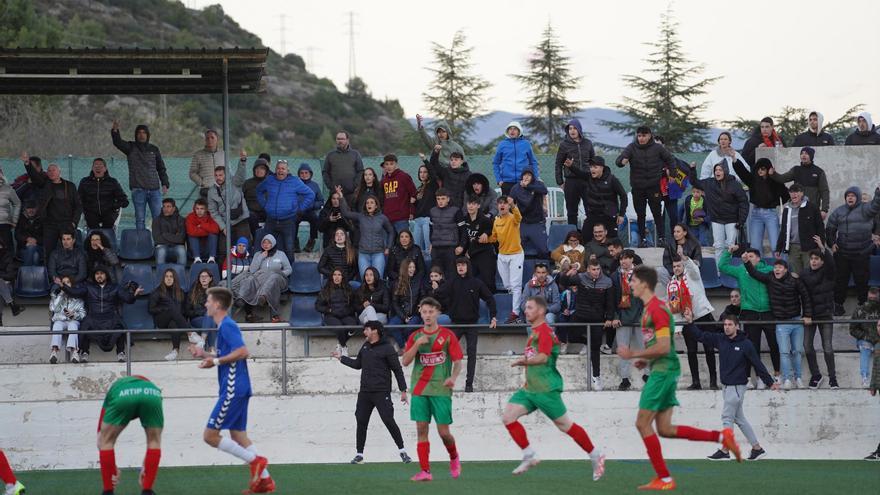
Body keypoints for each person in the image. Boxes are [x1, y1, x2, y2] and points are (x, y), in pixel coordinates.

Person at [617, 266, 742, 491]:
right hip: (662, 369)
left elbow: (664, 347)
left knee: (642, 423)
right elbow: (660, 346)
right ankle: (722, 437)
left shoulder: (657, 310)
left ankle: (664, 478)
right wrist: (645, 360)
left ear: (644, 284)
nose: (630, 284)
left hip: (664, 372)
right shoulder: (649, 310)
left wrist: (634, 354)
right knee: (665, 429)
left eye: (633, 280)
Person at [502, 296, 606, 479]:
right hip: (530, 389)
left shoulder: (544, 332)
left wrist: (523, 361)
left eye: (530, 308)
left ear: (541, 311)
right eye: (525, 308)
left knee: (566, 426)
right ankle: (529, 454)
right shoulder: (534, 332)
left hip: (546, 389)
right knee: (509, 416)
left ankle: (595, 454)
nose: (526, 311)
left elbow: (543, 357)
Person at [189, 286, 274, 494]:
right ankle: (265, 482)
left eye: (208, 300)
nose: (206, 304)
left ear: (217, 304)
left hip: (232, 388)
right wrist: (203, 355)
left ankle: (256, 461)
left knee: (210, 436)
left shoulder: (227, 325)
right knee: (237, 435)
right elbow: (228, 354)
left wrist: (215, 361)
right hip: (239, 387)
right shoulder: (224, 327)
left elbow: (243, 352)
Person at [687, 315, 779, 461]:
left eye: (730, 324)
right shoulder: (720, 339)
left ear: (737, 326)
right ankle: (757, 448)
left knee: (727, 418)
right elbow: (700, 336)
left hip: (737, 387)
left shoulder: (746, 344)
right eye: (725, 324)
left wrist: (770, 382)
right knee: (739, 419)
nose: (727, 327)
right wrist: (690, 322)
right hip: (726, 387)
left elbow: (757, 364)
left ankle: (725, 450)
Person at [401, 297, 464, 482]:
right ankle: (425, 471)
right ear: (420, 313)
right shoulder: (415, 336)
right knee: (421, 428)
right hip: (420, 388)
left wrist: (452, 378)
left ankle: (453, 457)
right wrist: (417, 345)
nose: (427, 315)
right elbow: (405, 361)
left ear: (437, 313)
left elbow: (458, 361)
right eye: (424, 312)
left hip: (441, 389)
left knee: (444, 432)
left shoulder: (447, 335)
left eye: (431, 312)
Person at [333, 320, 412, 465]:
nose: (364, 332)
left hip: (381, 392)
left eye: (367, 329)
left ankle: (403, 451)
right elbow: (358, 365)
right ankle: (359, 454)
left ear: (375, 331)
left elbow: (397, 370)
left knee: (388, 420)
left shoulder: (387, 348)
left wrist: (403, 390)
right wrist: (341, 358)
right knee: (361, 421)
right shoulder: (365, 346)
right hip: (365, 392)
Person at [745, 259, 813, 389]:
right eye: (775, 267)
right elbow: (754, 273)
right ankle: (787, 379)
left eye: (780, 267)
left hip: (796, 320)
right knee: (784, 352)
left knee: (797, 351)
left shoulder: (795, 280)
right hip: (781, 322)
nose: (777, 269)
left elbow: (805, 296)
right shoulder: (770, 278)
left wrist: (807, 315)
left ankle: (798, 378)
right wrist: (746, 262)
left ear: (786, 270)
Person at [720, 246, 781, 387]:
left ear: (759, 258)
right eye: (746, 256)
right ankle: (759, 378)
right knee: (753, 347)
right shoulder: (742, 269)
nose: (748, 258)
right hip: (750, 312)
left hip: (768, 311)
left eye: (751, 256)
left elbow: (783, 273)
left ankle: (778, 376)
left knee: (774, 344)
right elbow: (722, 266)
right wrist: (729, 252)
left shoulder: (769, 270)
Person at [435, 257, 497, 392]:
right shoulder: (451, 282)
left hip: (472, 324)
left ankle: (469, 384)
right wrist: (436, 289)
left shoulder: (476, 283)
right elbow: (439, 294)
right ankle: (445, 382)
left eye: (463, 265)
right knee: (446, 352)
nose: (460, 267)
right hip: (456, 323)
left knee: (472, 353)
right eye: (458, 265)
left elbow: (490, 298)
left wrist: (493, 316)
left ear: (468, 266)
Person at [97, 375, 164, 495]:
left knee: (106, 441)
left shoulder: (115, 388)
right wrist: (146, 467)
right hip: (152, 393)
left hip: (123, 394)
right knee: (155, 441)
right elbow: (152, 446)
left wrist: (112, 470)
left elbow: (100, 439)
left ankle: (108, 491)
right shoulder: (150, 386)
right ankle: (147, 490)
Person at [557, 259, 616, 390]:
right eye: (593, 269)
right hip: (580, 316)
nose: (596, 272)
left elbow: (610, 302)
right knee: (571, 337)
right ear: (588, 269)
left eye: (598, 269)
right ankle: (586, 342)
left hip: (597, 318)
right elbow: (562, 284)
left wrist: (609, 317)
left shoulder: (607, 282)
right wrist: (568, 274)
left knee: (595, 349)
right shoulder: (580, 278)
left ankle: (597, 377)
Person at [64, 266, 141, 363]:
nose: (99, 276)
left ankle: (121, 352)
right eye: (97, 274)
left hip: (110, 317)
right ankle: (84, 352)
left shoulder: (115, 287)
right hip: (93, 317)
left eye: (101, 274)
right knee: (85, 325)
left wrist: (135, 294)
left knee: (120, 325)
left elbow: (128, 299)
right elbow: (75, 292)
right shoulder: (88, 287)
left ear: (106, 275)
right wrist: (63, 286)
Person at [615, 126, 675, 247]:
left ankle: (662, 239)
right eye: (639, 136)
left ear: (649, 135)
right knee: (640, 215)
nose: (641, 138)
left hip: (654, 187)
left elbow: (670, 159)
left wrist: (672, 174)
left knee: (657, 214)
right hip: (638, 187)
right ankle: (642, 240)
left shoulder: (657, 148)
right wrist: (622, 161)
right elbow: (619, 161)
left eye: (644, 135)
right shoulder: (632, 147)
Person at [826, 185, 880, 313]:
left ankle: (863, 308)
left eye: (853, 196)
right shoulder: (838, 211)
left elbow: (876, 205)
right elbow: (829, 229)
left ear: (858, 198)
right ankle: (838, 307)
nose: (850, 198)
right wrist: (831, 243)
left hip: (861, 253)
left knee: (862, 282)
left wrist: (878, 193)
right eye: (848, 196)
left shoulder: (866, 209)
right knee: (840, 282)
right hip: (842, 254)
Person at [668, 254, 718, 390]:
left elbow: (694, 269)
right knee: (691, 351)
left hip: (703, 315)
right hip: (687, 320)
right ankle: (696, 382)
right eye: (674, 267)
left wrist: (686, 258)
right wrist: (678, 328)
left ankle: (713, 382)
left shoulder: (692, 276)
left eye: (679, 266)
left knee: (709, 349)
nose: (676, 268)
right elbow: (674, 308)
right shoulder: (672, 284)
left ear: (683, 266)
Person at [688, 160, 749, 267]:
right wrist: (692, 169)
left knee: (730, 246)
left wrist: (741, 221)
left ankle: (727, 269)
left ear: (725, 171)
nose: (717, 172)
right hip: (716, 219)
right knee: (718, 246)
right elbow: (694, 182)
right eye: (716, 170)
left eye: (720, 170)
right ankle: (718, 271)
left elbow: (743, 202)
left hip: (732, 220)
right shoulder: (709, 183)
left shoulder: (734, 185)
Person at [111, 120, 169, 230]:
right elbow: (117, 142)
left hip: (155, 190)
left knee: (158, 218)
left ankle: (159, 243)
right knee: (140, 219)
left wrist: (165, 183)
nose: (141, 135)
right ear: (136, 135)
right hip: (138, 190)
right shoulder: (131, 147)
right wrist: (115, 131)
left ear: (147, 135)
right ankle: (142, 243)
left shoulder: (154, 149)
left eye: (144, 133)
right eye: (139, 133)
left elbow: (161, 168)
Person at [256, 159, 316, 264]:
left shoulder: (295, 181)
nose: (280, 171)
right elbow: (259, 191)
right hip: (271, 220)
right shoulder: (269, 180)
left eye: (283, 168)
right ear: (275, 170)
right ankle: (267, 271)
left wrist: (300, 208)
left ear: (287, 170)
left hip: (288, 220)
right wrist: (265, 205)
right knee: (267, 247)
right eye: (278, 168)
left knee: (289, 249)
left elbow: (310, 194)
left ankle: (288, 275)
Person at [799, 237, 837, 389]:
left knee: (827, 347)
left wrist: (823, 248)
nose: (813, 261)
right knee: (807, 346)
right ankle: (816, 375)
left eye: (817, 259)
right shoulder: (804, 274)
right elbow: (803, 295)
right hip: (810, 316)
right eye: (812, 259)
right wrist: (806, 314)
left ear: (822, 261)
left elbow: (832, 264)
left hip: (826, 315)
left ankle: (833, 377)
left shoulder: (828, 273)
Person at [732, 157, 788, 254]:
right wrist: (734, 159)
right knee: (755, 247)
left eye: (763, 168)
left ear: (768, 169)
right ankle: (757, 268)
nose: (760, 171)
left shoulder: (775, 181)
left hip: (771, 214)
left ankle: (781, 267)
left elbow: (786, 195)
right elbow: (742, 172)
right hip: (755, 214)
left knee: (776, 245)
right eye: (758, 168)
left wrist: (774, 203)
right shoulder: (753, 180)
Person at [483, 196, 525, 324]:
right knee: (508, 285)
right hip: (502, 256)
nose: (502, 205)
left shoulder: (513, 218)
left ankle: (515, 313)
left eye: (505, 203)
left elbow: (519, 218)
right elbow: (494, 237)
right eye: (500, 203)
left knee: (516, 285)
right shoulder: (496, 220)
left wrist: (513, 205)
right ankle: (522, 305)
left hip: (516, 254)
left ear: (508, 206)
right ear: (497, 206)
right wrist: (485, 238)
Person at [232, 234, 292, 324]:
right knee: (249, 280)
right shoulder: (258, 254)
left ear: (273, 244)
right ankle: (242, 299)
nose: (266, 245)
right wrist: (261, 257)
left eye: (268, 243)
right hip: (261, 280)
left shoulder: (281, 254)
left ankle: (263, 298)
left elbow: (289, 269)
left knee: (273, 278)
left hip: (279, 279)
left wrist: (280, 273)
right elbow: (252, 270)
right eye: (264, 243)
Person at [610, 250, 646, 390]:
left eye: (626, 259)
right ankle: (625, 379)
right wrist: (614, 316)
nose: (623, 262)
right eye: (621, 259)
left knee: (644, 347)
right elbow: (611, 299)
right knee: (623, 349)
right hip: (622, 317)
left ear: (632, 260)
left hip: (639, 316)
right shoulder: (614, 277)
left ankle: (647, 374)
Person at [339, 189, 393, 278]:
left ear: (376, 206)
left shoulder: (382, 218)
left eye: (372, 203)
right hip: (363, 254)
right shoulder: (361, 216)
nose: (369, 205)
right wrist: (341, 197)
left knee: (378, 279)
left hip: (378, 253)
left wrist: (388, 247)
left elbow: (391, 231)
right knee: (365, 280)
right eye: (367, 203)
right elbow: (346, 213)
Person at [149, 268, 202, 361]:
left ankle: (175, 351)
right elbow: (151, 309)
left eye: (171, 276)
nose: (169, 279)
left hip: (176, 321)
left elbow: (184, 310)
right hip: (161, 320)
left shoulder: (180, 292)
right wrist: (165, 309)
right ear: (163, 278)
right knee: (171, 308)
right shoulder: (157, 291)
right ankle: (190, 333)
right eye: (166, 276)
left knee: (174, 324)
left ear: (175, 279)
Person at [775, 184, 825, 274]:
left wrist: (821, 244)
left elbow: (820, 227)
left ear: (802, 193)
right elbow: (783, 230)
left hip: (809, 247)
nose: (793, 194)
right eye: (791, 192)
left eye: (796, 192)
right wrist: (778, 248)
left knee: (810, 274)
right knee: (796, 275)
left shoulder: (812, 207)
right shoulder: (786, 209)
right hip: (793, 248)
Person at [555, 119, 596, 226]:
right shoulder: (564, 144)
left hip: (587, 180)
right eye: (570, 128)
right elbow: (558, 163)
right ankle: (573, 236)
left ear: (579, 130)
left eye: (574, 128)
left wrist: (595, 179)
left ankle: (591, 236)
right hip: (571, 181)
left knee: (591, 210)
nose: (572, 131)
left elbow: (594, 161)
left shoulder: (588, 143)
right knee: (572, 212)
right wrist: (560, 181)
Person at [768, 147, 831, 217]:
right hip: (797, 207)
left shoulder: (819, 172)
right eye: (802, 153)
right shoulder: (796, 170)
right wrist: (773, 174)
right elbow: (782, 179)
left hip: (812, 208)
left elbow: (824, 191)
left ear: (811, 156)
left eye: (806, 154)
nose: (803, 155)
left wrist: (824, 210)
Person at [36, 163, 82, 259]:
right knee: (49, 252)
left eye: (54, 170)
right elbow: (33, 175)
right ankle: (50, 273)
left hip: (66, 224)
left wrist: (74, 222)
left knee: (68, 250)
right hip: (50, 225)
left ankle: (70, 272)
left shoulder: (70, 186)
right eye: (49, 171)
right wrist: (27, 164)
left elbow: (78, 206)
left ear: (59, 172)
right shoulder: (44, 185)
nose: (51, 172)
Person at [208, 152, 252, 248]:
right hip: (225, 223)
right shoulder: (211, 191)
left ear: (226, 175)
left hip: (241, 220)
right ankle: (224, 263)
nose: (218, 177)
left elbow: (241, 176)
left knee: (244, 247)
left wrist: (242, 161)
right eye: (216, 175)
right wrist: (223, 227)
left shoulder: (234, 182)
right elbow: (213, 211)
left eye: (220, 175)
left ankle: (245, 263)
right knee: (224, 250)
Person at [581, 156, 627, 239]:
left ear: (602, 168)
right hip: (593, 214)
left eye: (595, 167)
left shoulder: (612, 179)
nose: (592, 169)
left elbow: (623, 196)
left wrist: (621, 214)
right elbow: (578, 172)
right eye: (591, 167)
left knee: (611, 241)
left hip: (609, 215)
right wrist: (570, 165)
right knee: (585, 236)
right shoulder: (588, 177)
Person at [78, 158, 128, 230]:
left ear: (105, 169)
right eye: (95, 165)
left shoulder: (112, 182)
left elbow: (124, 200)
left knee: (107, 228)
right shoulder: (85, 182)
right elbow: (78, 199)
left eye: (100, 166)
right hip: (91, 212)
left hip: (109, 212)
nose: (98, 167)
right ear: (92, 168)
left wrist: (113, 206)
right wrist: (85, 208)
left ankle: (107, 239)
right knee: (93, 228)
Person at [317, 268, 359, 355]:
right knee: (339, 328)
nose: (337, 277)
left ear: (342, 277)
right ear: (331, 277)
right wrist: (328, 310)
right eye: (334, 275)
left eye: (339, 275)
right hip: (331, 315)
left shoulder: (348, 289)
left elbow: (355, 305)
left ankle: (339, 345)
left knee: (353, 326)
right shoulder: (326, 290)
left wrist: (348, 311)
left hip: (346, 314)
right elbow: (318, 306)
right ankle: (343, 347)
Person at [510, 170, 549, 259]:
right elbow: (510, 201)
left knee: (543, 250)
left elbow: (544, 190)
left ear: (533, 177)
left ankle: (542, 268)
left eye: (529, 175)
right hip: (523, 223)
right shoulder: (516, 188)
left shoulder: (538, 184)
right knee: (515, 249)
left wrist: (528, 186)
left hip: (537, 223)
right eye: (524, 175)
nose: (526, 177)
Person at [493, 121, 539, 196]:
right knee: (508, 206)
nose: (512, 131)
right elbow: (496, 163)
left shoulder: (526, 144)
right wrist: (499, 180)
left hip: (523, 181)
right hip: (506, 182)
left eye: (515, 129)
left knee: (524, 206)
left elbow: (533, 162)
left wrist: (535, 178)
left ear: (519, 131)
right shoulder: (502, 144)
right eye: (510, 129)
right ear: (507, 131)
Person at [427, 188, 465, 279]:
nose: (440, 201)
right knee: (436, 275)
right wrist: (432, 243)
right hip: (436, 249)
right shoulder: (432, 211)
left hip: (450, 249)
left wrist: (461, 245)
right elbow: (431, 229)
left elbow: (463, 230)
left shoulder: (456, 211)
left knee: (451, 275)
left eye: (443, 198)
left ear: (448, 199)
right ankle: (437, 293)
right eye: (438, 199)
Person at [322, 130, 365, 206]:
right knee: (335, 216)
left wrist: (354, 186)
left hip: (351, 194)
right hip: (335, 195)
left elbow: (360, 171)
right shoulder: (330, 155)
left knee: (350, 215)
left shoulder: (355, 154)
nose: (340, 141)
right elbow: (325, 172)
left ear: (347, 140)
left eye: (342, 139)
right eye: (338, 139)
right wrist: (332, 187)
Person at [48, 275, 84, 364]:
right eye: (63, 283)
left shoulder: (78, 299)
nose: (66, 285)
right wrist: (60, 295)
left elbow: (83, 314)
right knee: (57, 325)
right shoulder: (56, 295)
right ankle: (54, 352)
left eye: (68, 282)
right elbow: (53, 309)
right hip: (60, 320)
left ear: (72, 284)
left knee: (73, 325)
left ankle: (74, 352)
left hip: (73, 320)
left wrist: (74, 314)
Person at [389, 260, 425, 348]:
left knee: (409, 328)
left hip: (415, 313)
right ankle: (403, 346)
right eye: (410, 267)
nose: (412, 269)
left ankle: (405, 345)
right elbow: (395, 303)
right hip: (402, 313)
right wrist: (404, 317)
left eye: (413, 267)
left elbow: (423, 296)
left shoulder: (418, 281)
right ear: (405, 269)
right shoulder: (397, 283)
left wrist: (421, 305)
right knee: (391, 326)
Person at [850, 288, 880, 388]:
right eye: (870, 298)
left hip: (878, 339)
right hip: (865, 339)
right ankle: (865, 378)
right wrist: (865, 336)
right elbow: (852, 329)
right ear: (867, 296)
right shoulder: (860, 310)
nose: (872, 300)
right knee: (865, 348)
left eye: (874, 298)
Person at [379, 154, 417, 234]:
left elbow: (413, 195)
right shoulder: (384, 180)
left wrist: (411, 212)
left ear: (396, 164)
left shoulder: (404, 176)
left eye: (391, 164)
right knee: (388, 244)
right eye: (387, 164)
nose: (389, 166)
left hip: (401, 218)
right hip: (387, 218)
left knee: (404, 242)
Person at [294, 163, 324, 253]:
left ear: (310, 174)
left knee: (315, 219)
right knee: (293, 220)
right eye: (302, 173)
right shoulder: (295, 185)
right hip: (298, 211)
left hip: (310, 211)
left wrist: (313, 205)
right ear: (299, 174)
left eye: (306, 173)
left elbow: (321, 201)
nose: (304, 175)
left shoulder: (314, 185)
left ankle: (311, 241)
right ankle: (295, 243)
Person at [186, 269, 218, 352]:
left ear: (210, 278)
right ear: (199, 279)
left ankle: (202, 341)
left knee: (211, 319)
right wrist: (201, 313)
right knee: (210, 318)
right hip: (196, 319)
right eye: (201, 276)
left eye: (206, 276)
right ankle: (211, 348)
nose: (203, 278)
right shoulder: (193, 291)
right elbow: (187, 310)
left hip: (211, 319)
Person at [189, 129, 225, 197]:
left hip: (222, 190)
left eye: (212, 137)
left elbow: (228, 170)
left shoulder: (223, 154)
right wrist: (202, 183)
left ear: (217, 139)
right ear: (205, 140)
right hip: (206, 190)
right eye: (207, 138)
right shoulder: (198, 154)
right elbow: (192, 173)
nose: (210, 140)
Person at [412, 163, 438, 252]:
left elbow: (434, 175)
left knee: (428, 248)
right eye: (420, 172)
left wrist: (425, 160)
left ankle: (430, 265)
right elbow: (419, 205)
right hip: (418, 220)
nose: (422, 174)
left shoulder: (432, 185)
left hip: (427, 219)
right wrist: (413, 202)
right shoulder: (418, 189)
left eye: (425, 172)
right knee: (416, 247)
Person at [185, 198, 221, 264]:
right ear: (194, 209)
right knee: (192, 236)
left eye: (202, 209)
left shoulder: (211, 216)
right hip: (194, 248)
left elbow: (216, 230)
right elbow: (191, 232)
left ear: (206, 209)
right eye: (197, 208)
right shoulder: (190, 217)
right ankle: (197, 259)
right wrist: (208, 230)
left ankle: (212, 258)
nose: (199, 211)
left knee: (213, 234)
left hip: (208, 247)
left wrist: (201, 225)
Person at [153, 198, 187, 265]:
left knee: (181, 251)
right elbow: (157, 239)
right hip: (162, 246)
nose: (165, 209)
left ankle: (181, 273)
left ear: (174, 208)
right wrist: (174, 237)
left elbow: (181, 239)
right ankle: (160, 274)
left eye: (168, 206)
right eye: (164, 206)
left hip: (177, 246)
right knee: (161, 252)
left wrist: (164, 234)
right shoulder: (156, 220)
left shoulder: (181, 220)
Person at [243, 157, 270, 238]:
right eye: (257, 168)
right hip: (252, 211)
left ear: (266, 171)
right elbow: (241, 198)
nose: (259, 170)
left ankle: (269, 240)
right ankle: (257, 238)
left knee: (273, 216)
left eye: (262, 168)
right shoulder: (247, 183)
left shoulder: (270, 183)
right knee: (250, 216)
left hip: (266, 210)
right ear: (254, 170)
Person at [15, 200, 42, 266]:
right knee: (35, 256)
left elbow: (45, 237)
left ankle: (26, 273)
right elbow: (17, 235)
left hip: (38, 247)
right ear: (25, 209)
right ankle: (34, 275)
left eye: (33, 208)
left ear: (37, 209)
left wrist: (36, 240)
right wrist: (27, 239)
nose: (31, 210)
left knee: (32, 247)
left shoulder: (41, 220)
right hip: (23, 248)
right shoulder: (20, 219)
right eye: (28, 208)